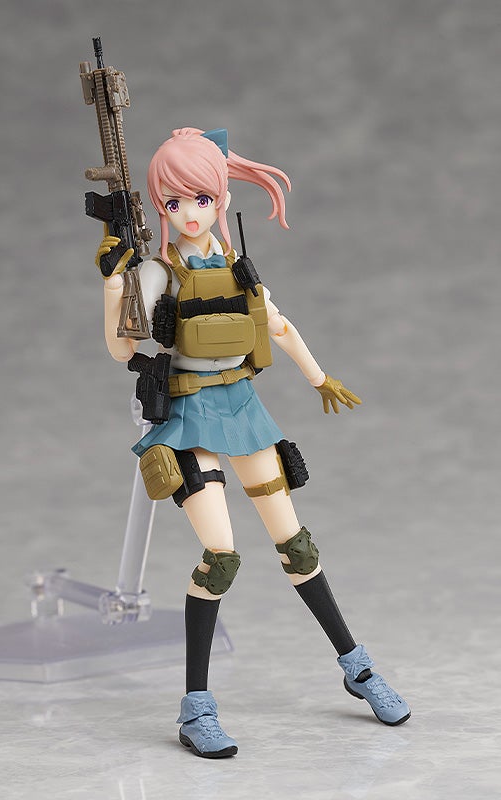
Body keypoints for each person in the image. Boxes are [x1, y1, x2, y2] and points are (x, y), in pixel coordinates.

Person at [97, 127, 410, 759]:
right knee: (221, 556)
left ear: (220, 198)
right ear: (160, 207)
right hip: (188, 415)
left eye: (202, 198)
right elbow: (123, 346)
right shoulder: (157, 272)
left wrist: (320, 378)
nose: (190, 213)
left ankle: (357, 667)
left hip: (243, 409)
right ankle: (196, 707)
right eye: (175, 202)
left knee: (296, 546)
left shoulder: (237, 267)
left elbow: (278, 324)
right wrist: (114, 283)